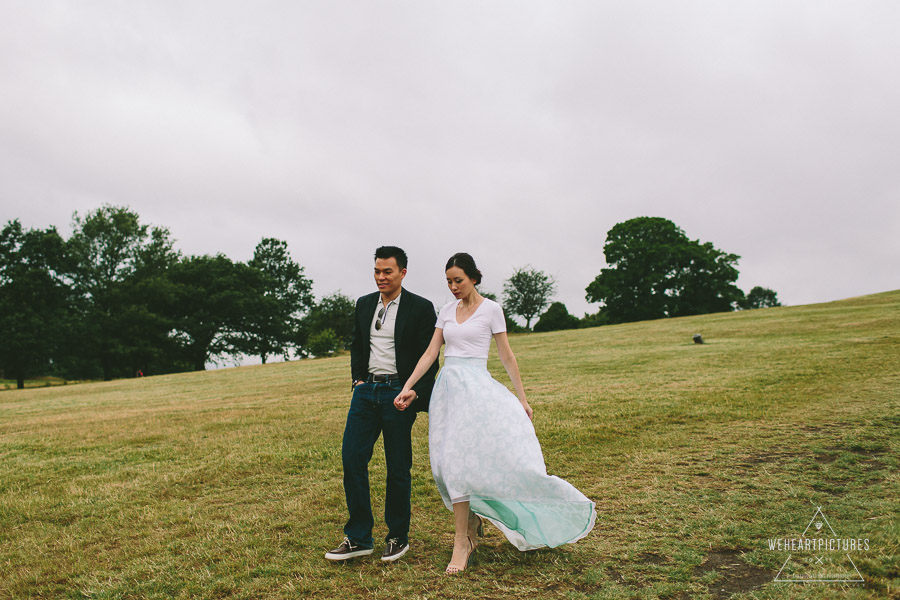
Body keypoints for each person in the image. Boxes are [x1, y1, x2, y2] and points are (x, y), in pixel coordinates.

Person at [394, 252, 596, 574]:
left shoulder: (492, 310)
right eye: (448, 281)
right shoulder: (446, 311)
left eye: (458, 280)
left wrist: (523, 399)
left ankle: (463, 541)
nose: (453, 287)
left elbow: (506, 355)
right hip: (448, 392)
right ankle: (471, 522)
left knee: (465, 462)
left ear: (474, 277)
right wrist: (408, 385)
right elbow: (432, 351)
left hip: (477, 391)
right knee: (447, 465)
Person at [325, 246, 439, 563]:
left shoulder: (420, 308)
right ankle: (359, 538)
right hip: (366, 392)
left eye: (387, 271)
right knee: (352, 460)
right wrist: (357, 380)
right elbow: (358, 345)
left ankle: (397, 537)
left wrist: (415, 392)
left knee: (397, 467)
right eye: (377, 271)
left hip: (399, 393)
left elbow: (429, 358)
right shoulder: (364, 305)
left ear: (402, 272)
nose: (380, 277)